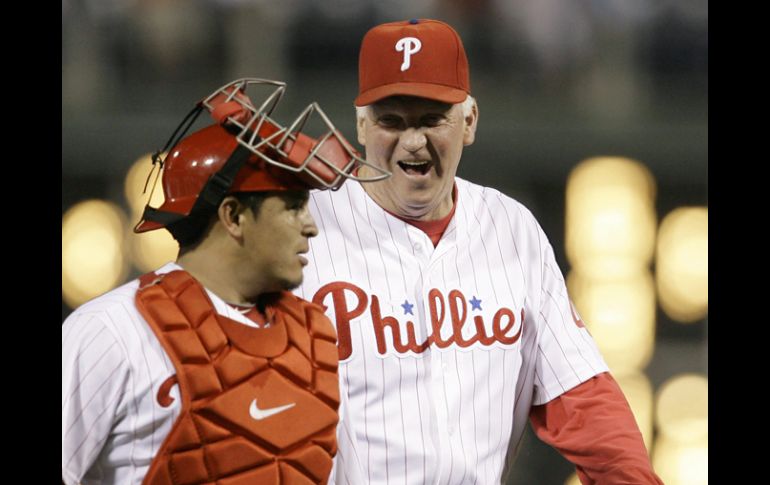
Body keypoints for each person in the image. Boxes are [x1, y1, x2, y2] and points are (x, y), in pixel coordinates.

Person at [294, 20, 664, 484]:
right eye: (392, 121)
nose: (413, 140)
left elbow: (583, 400)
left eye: (432, 119)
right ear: (362, 125)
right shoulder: (301, 227)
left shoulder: (512, 229)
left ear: (469, 122)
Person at [61, 78, 388, 485]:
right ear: (233, 216)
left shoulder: (316, 338)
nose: (311, 226)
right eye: (292, 207)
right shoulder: (111, 330)